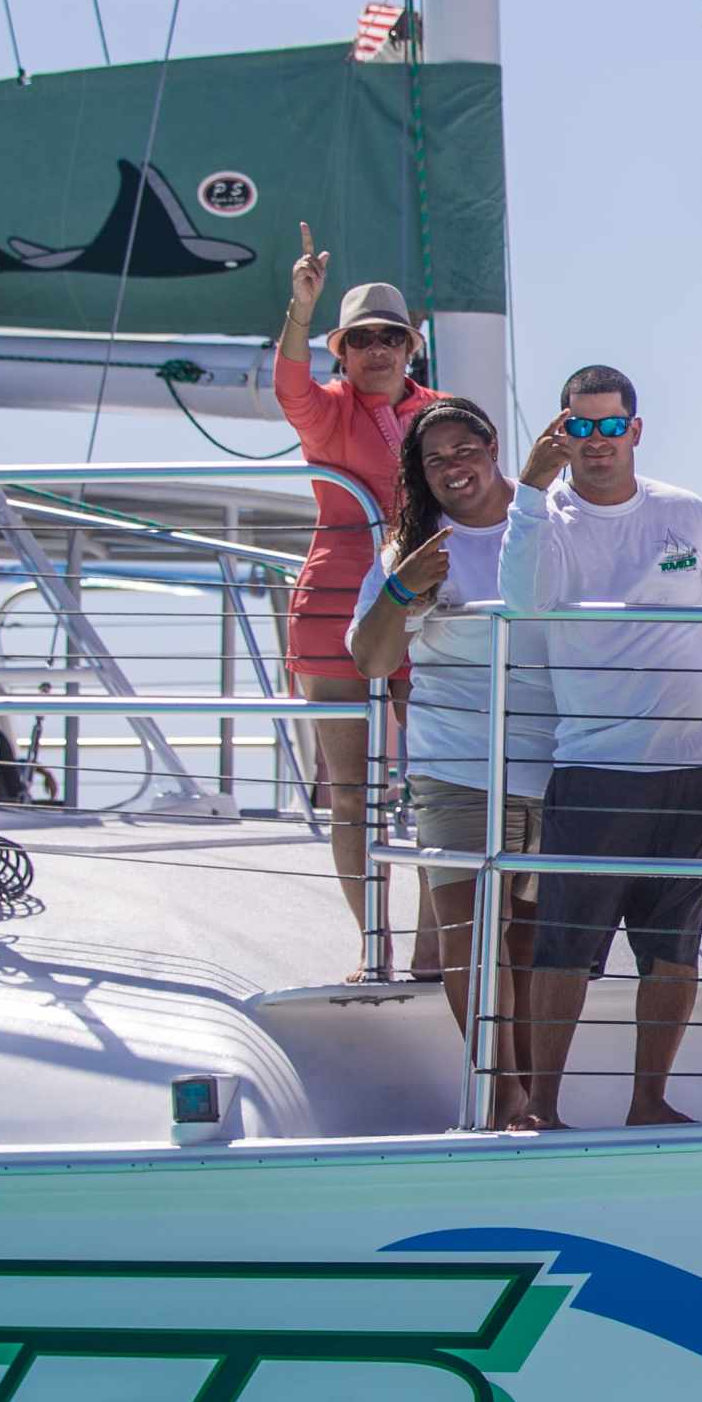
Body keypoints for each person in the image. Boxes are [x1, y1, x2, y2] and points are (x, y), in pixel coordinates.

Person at [499, 367, 702, 1129]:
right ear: (560, 432)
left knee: (674, 947)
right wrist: (529, 491)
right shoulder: (544, 518)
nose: (596, 441)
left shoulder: (686, 513)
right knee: (566, 947)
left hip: (699, 766)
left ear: (634, 430)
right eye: (581, 426)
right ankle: (542, 1107)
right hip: (596, 766)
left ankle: (649, 1101)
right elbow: (523, 602)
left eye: (610, 426)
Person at [348, 399, 554, 1124]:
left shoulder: (550, 518)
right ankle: (499, 1093)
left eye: (465, 449)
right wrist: (402, 589)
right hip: (454, 766)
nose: (453, 467)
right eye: (434, 459)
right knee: (470, 939)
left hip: (554, 760)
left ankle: (529, 1096)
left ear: (493, 447)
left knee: (528, 945)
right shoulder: (412, 546)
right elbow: (372, 660)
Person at [274, 225, 444, 975]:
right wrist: (301, 309)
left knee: (440, 785)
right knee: (350, 793)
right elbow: (288, 386)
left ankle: (436, 953)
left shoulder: (445, 414)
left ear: (410, 348)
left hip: (425, 608)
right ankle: (373, 945)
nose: (378, 350)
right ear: (341, 351)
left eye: (391, 337)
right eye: (362, 339)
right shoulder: (326, 409)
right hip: (332, 607)